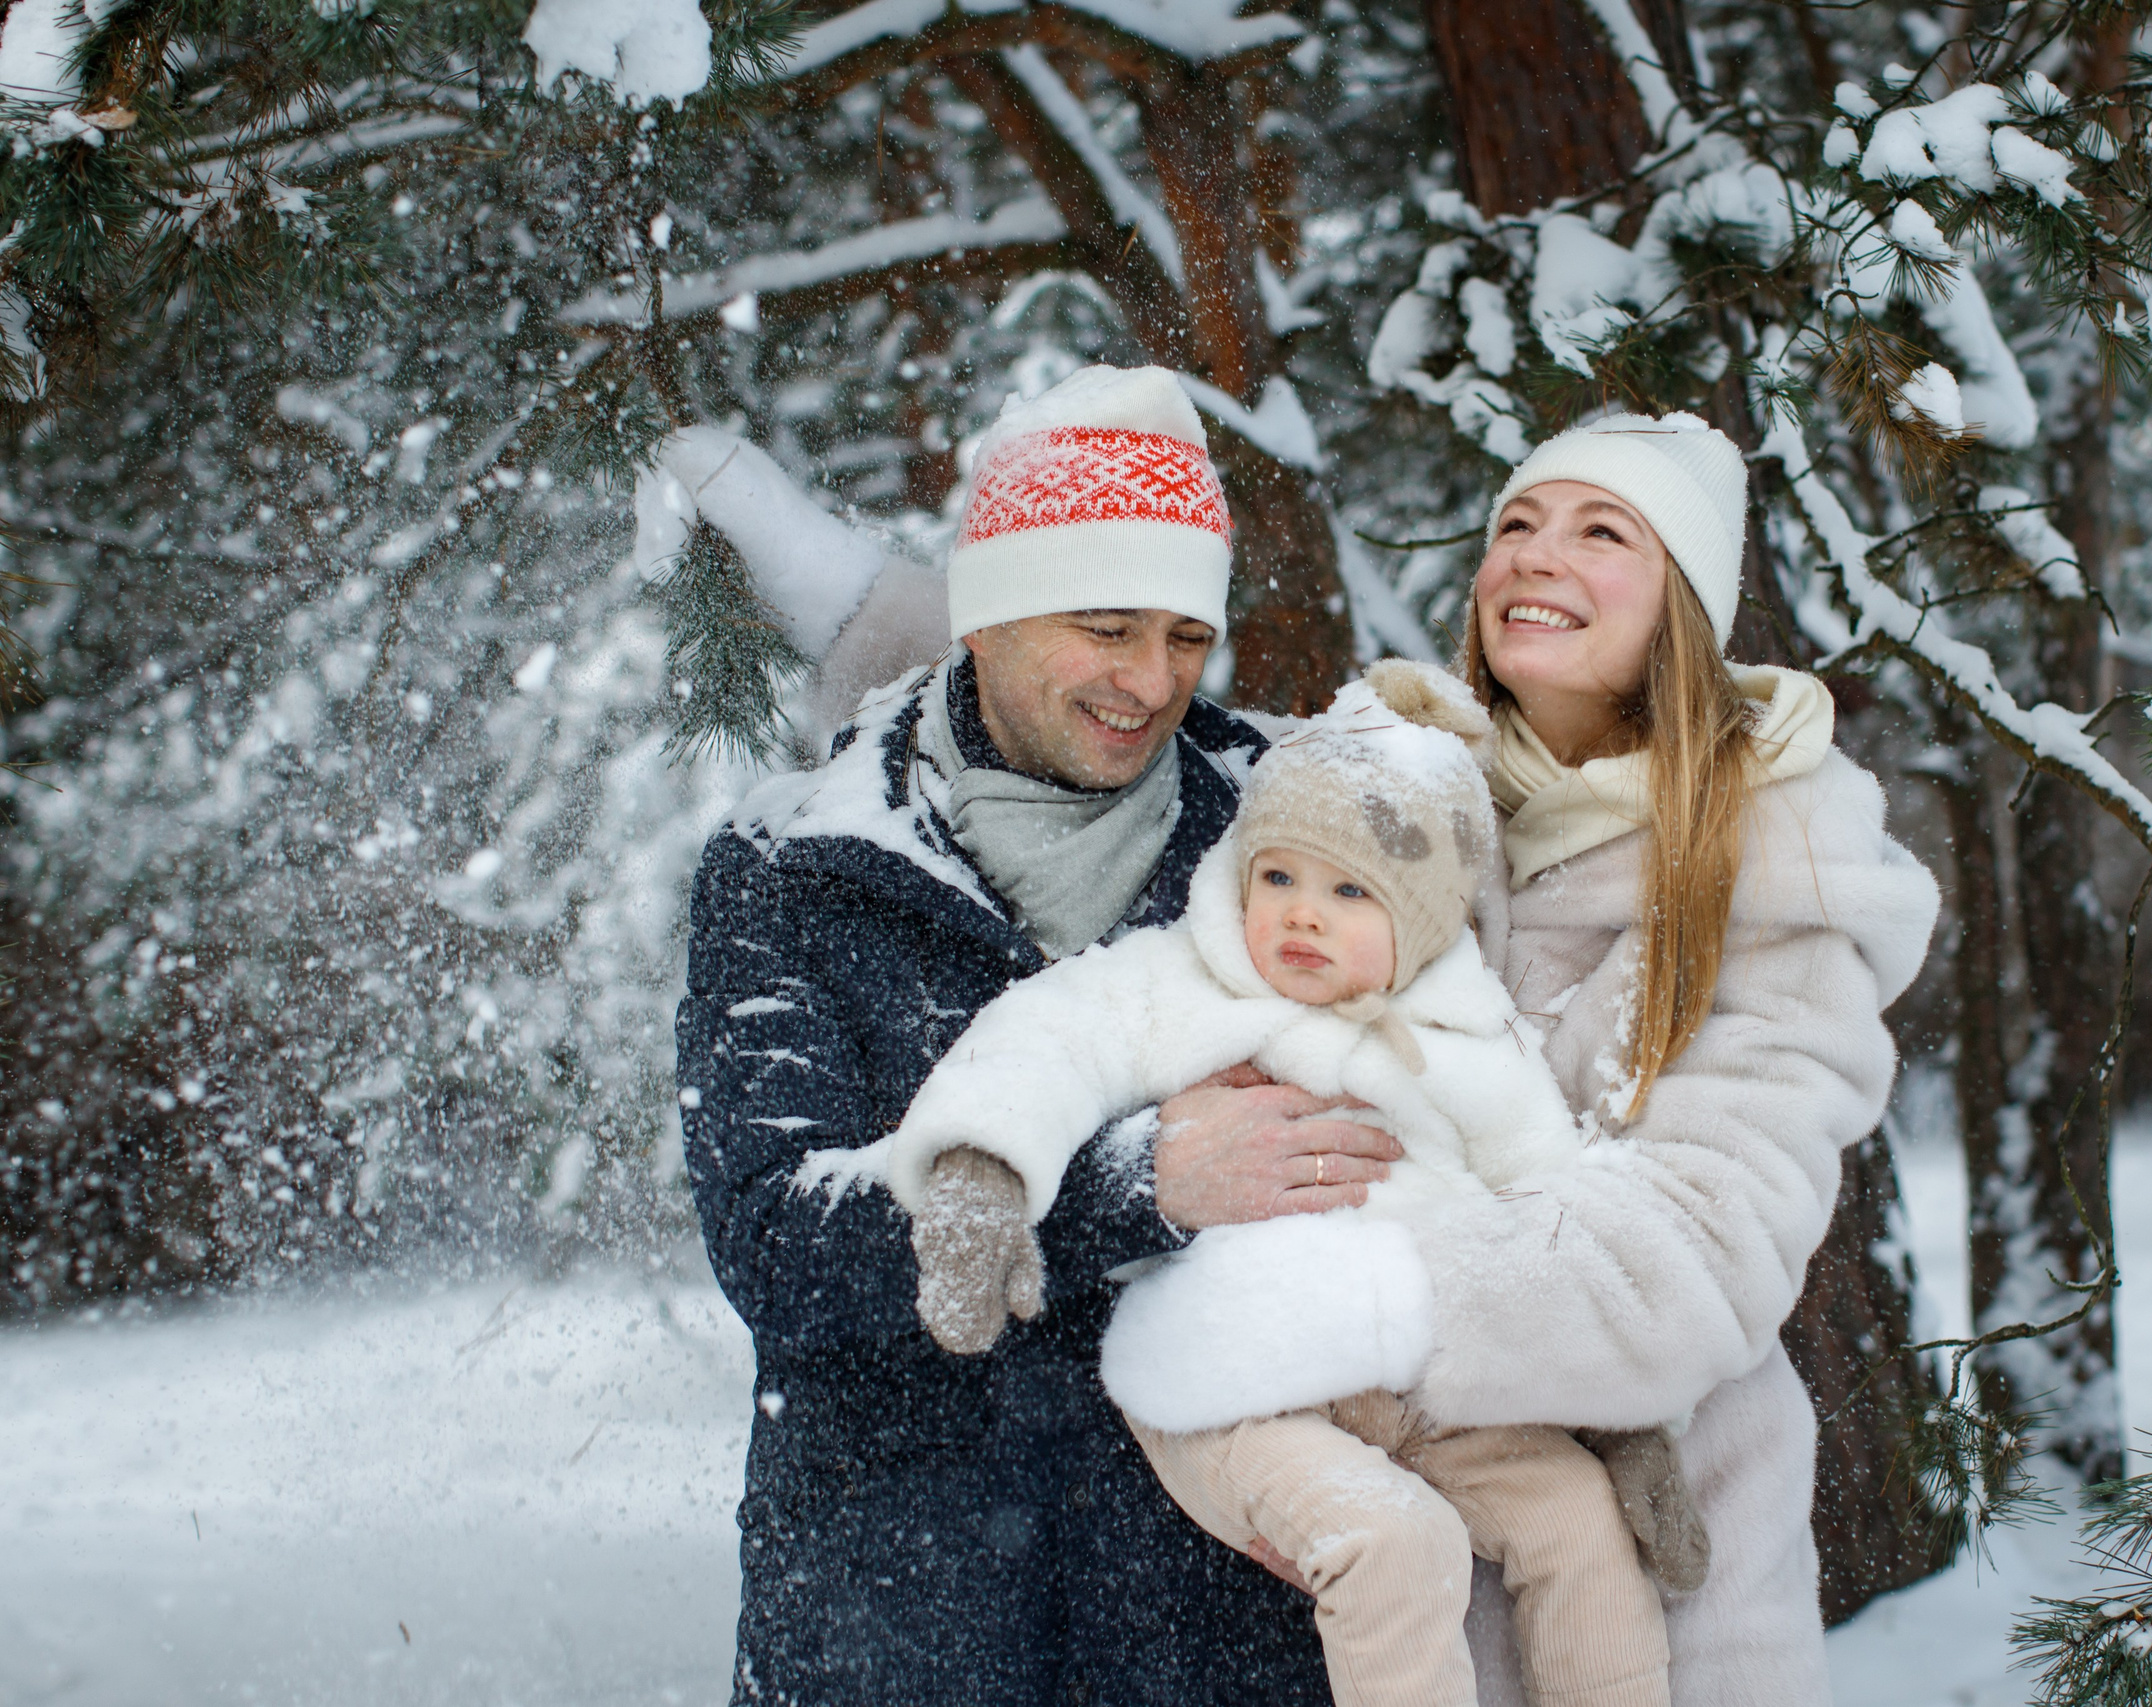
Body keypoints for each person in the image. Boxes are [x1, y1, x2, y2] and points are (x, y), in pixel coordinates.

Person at [1153, 414, 1941, 1705]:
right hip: (1380, 1572)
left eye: (1600, 530)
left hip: (1663, 1563)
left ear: (1681, 598)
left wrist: (1340, 1306)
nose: (1537, 555)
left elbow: (1696, 1247)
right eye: (1515, 523)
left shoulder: (1783, 865)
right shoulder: (1386, 796)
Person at [676, 364, 1390, 1706]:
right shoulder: (795, 865)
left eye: (1187, 634)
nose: (1150, 681)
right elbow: (776, 1238)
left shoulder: (1290, 840)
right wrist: (1132, 1188)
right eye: (1107, 625)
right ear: (991, 614)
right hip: (902, 1622)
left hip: (1222, 1628)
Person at [860, 658, 1703, 1707]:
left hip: (1425, 1392)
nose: (1302, 915)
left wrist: (1620, 1420)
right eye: (1280, 878)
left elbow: (1554, 1221)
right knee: (1397, 1544)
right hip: (1234, 1389)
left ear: (1425, 914)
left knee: (1578, 1520)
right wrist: (982, 1168)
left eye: (1350, 891)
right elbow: (1045, 1042)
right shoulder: (1185, 980)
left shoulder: (1470, 1041)